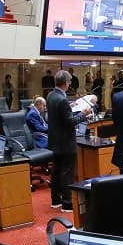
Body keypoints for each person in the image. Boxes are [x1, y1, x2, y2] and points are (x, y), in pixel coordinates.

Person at [47, 70, 90, 213]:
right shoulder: (62, 100)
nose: (70, 84)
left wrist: (69, 108)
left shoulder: (51, 96)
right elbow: (70, 122)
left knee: (56, 170)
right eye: (70, 82)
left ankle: (55, 200)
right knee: (67, 172)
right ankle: (66, 203)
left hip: (55, 140)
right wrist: (83, 114)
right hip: (66, 141)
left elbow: (58, 115)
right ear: (65, 83)